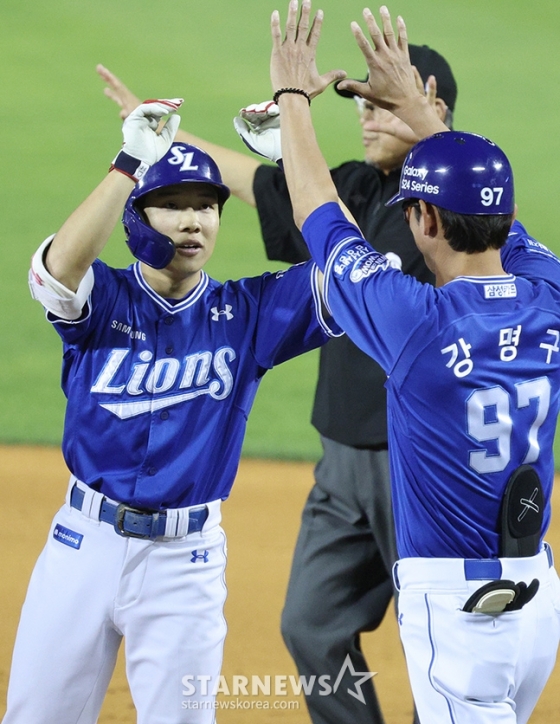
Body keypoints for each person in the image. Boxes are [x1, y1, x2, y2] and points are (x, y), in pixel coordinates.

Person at [97, 41, 456, 724]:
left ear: (429, 106)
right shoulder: (350, 188)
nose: (368, 119)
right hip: (342, 461)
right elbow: (252, 178)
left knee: (438, 639)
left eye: (384, 105)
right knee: (310, 625)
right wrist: (163, 139)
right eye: (365, 108)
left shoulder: (448, 215)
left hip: (420, 465)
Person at [264, 2, 560, 722]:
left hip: (461, 619)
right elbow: (497, 220)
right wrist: (427, 116)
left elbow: (316, 210)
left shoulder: (415, 325)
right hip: (534, 607)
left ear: (423, 221)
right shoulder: (547, 294)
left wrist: (292, 97)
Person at [3, 98, 340, 724]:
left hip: (185, 565)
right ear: (135, 217)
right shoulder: (101, 297)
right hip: (83, 546)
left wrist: (296, 164)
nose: (194, 221)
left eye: (206, 206)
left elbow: (354, 274)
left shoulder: (252, 313)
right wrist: (129, 162)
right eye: (174, 205)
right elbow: (53, 274)